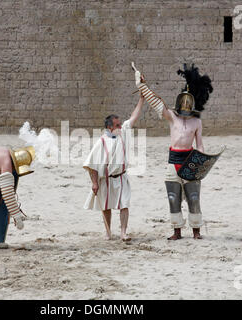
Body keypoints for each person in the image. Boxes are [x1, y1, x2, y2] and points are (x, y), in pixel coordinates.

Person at [134, 62, 213, 240]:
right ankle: (177, 231)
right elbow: (156, 102)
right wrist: (142, 86)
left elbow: (200, 144)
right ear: (179, 102)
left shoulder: (196, 122)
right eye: (182, 102)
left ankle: (196, 231)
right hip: (173, 161)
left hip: (190, 161)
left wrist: (202, 162)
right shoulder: (171, 116)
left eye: (188, 102)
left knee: (193, 197)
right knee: (173, 197)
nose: (185, 105)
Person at [83, 94, 145, 241]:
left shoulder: (123, 133)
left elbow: (134, 117)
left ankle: (123, 232)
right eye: (117, 125)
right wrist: (94, 183)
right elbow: (92, 165)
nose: (120, 126)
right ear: (110, 127)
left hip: (122, 177)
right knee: (106, 206)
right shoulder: (101, 142)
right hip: (106, 179)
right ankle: (108, 232)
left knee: (124, 204)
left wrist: (141, 99)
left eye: (120, 124)